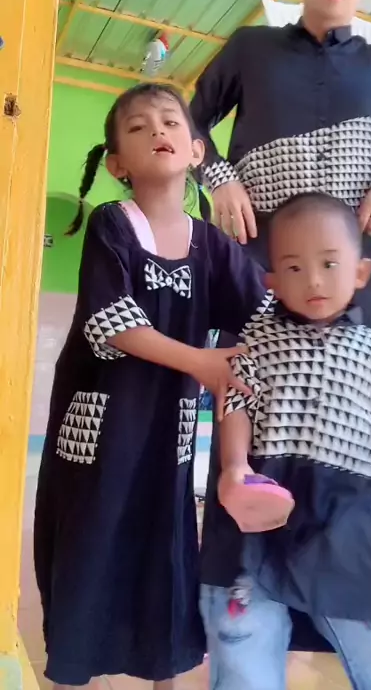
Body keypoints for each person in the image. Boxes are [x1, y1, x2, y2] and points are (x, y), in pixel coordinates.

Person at [192, 0, 371, 688]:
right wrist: (219, 178)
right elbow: (191, 122)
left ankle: (370, 620)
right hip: (261, 273)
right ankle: (245, 604)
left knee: (364, 437)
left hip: (350, 285)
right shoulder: (250, 48)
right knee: (249, 417)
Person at [33, 84, 271, 688]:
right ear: (118, 164)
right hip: (99, 436)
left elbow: (265, 317)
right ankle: (71, 674)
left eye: (170, 122)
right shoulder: (112, 225)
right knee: (91, 546)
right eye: (138, 127)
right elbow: (112, 322)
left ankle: (165, 673)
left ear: (195, 151)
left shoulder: (213, 247)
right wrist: (202, 361)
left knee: (165, 550)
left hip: (169, 436)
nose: (157, 131)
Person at [203, 192, 371, 690]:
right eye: (294, 267)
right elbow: (238, 402)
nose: (313, 280)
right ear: (272, 280)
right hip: (263, 515)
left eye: (329, 264)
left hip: (345, 524)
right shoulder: (256, 342)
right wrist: (235, 466)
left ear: (360, 273)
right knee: (244, 641)